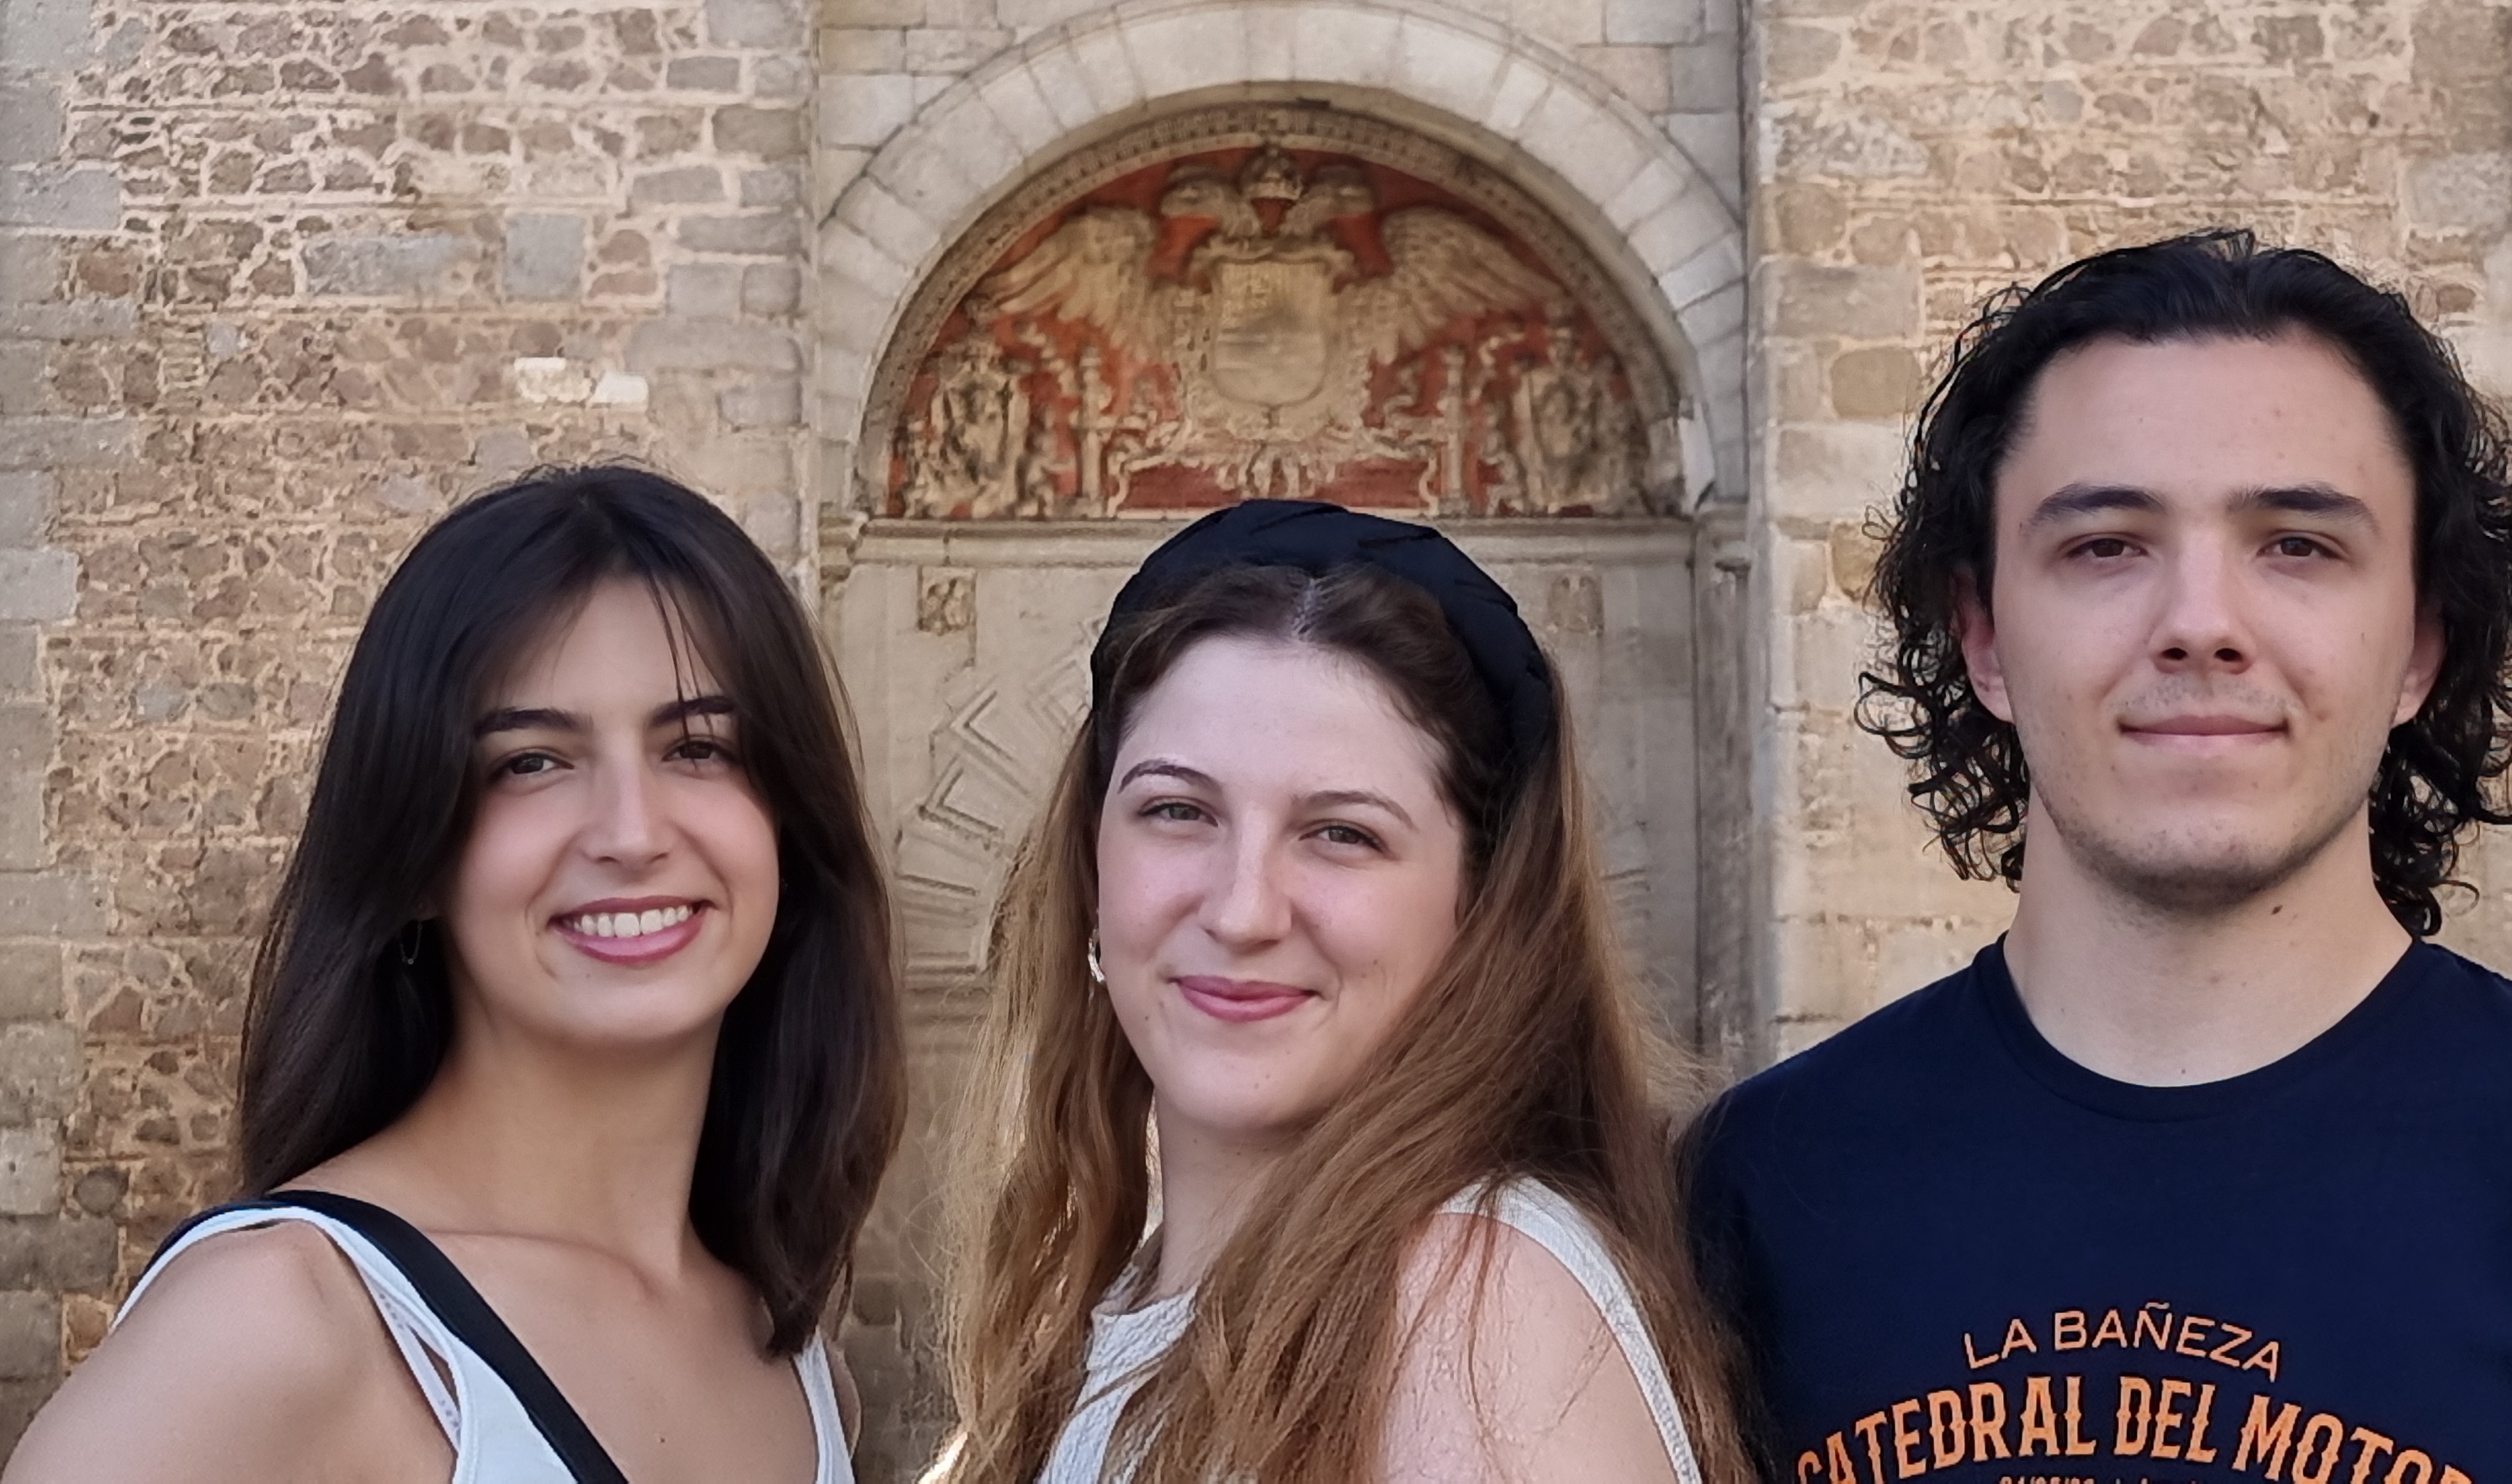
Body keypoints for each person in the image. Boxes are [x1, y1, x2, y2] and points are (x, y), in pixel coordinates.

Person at [1688, 231, 2512, 1482]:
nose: (2203, 625)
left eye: (2299, 546)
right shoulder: (1754, 1201)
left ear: (2422, 646)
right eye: (2106, 545)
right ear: (1985, 638)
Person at [8, 465, 905, 1484]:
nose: (631, 831)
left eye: (698, 746)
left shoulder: (797, 1366)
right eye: (530, 760)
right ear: (418, 851)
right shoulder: (280, 1321)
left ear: (788, 821)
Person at [930, 499, 1744, 1484]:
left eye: (1342, 832)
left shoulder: (1470, 1312)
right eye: (1177, 809)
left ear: (1480, 906)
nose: (1242, 910)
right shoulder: (1111, 1303)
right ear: (1090, 865)